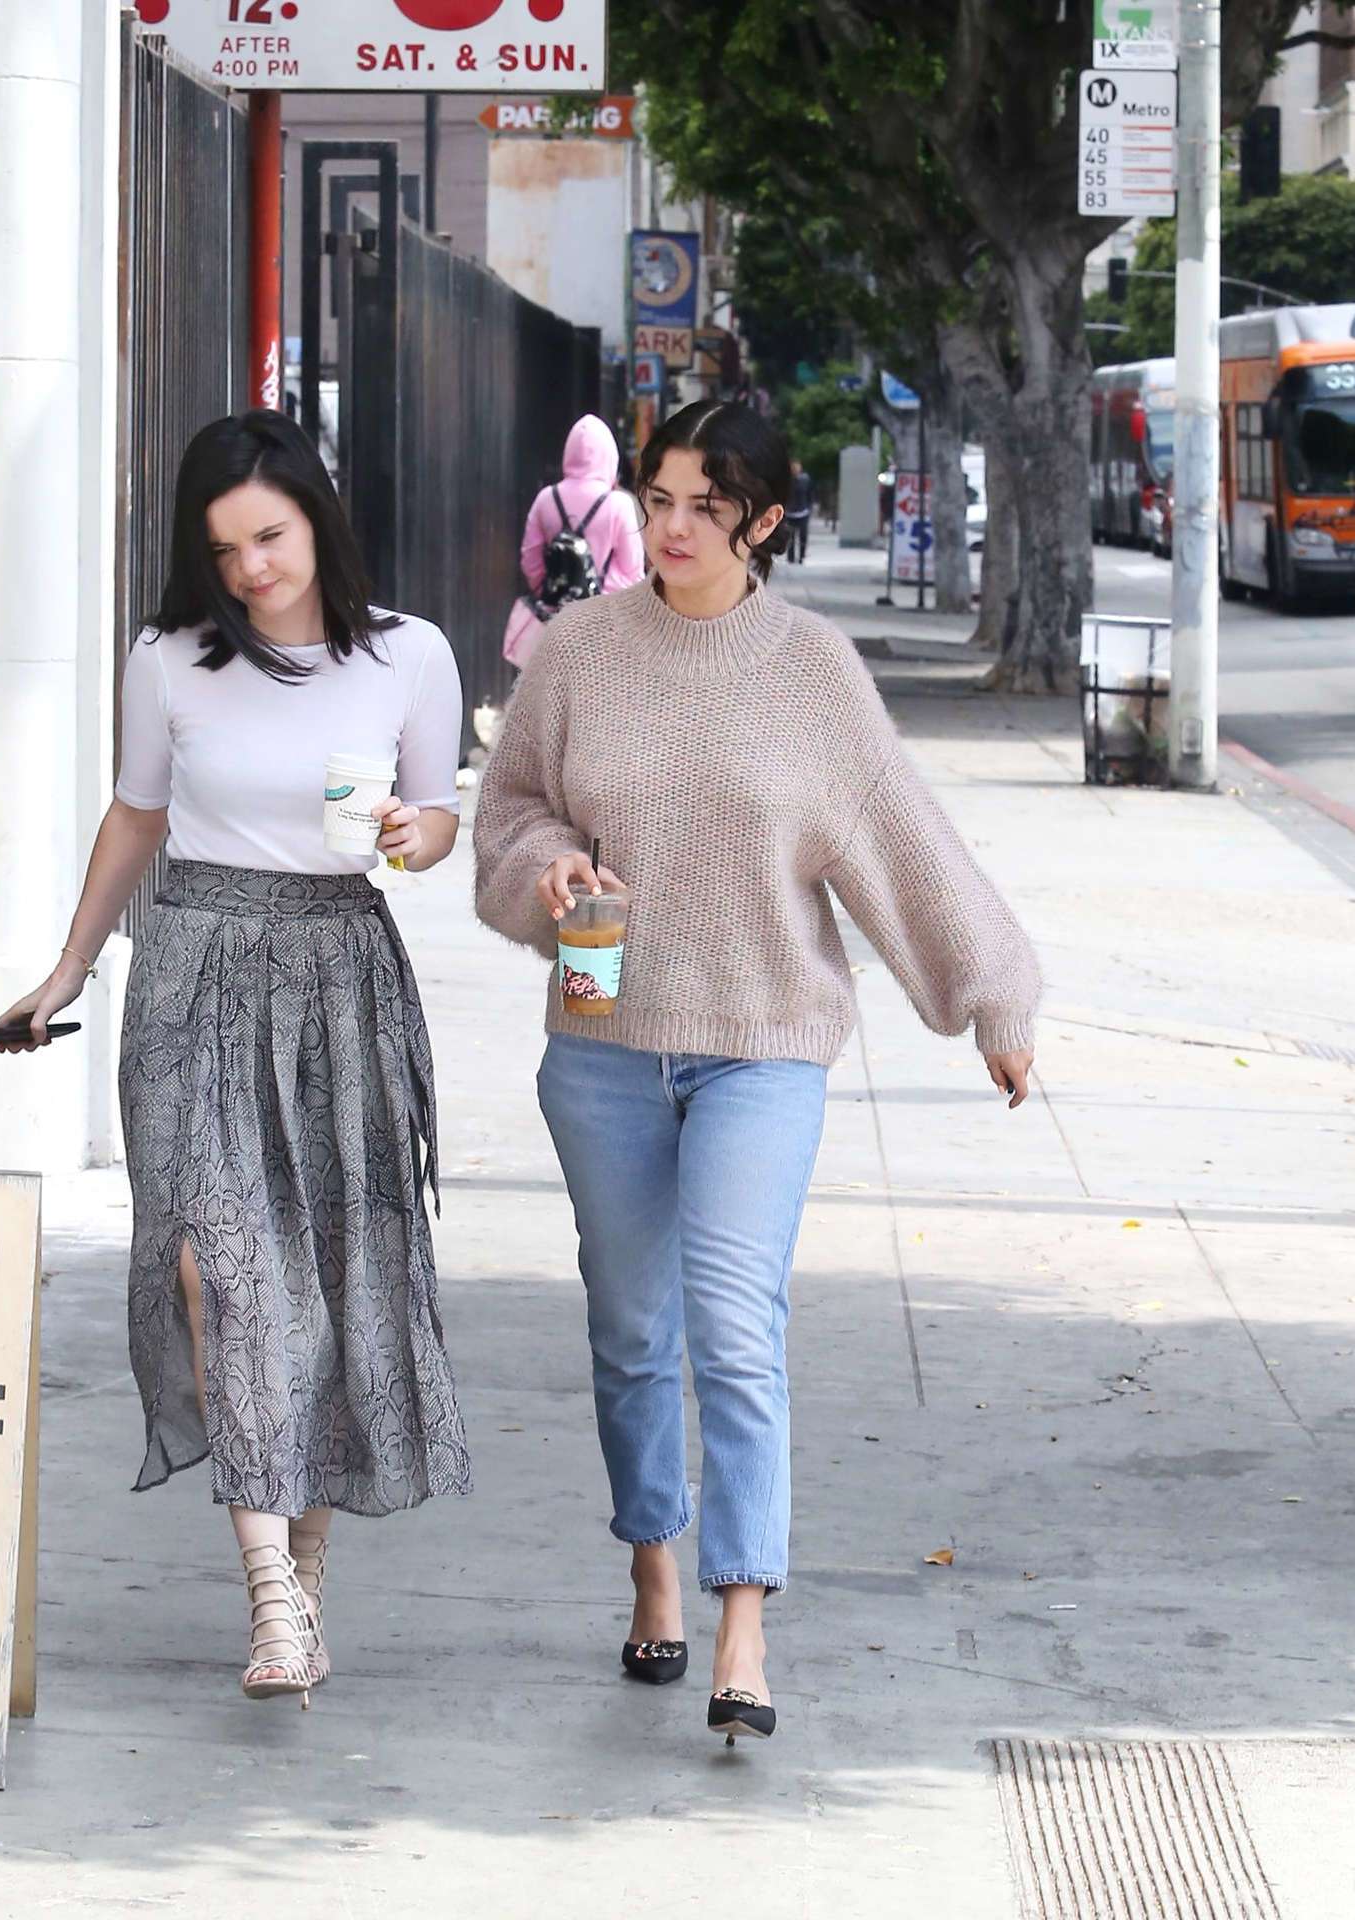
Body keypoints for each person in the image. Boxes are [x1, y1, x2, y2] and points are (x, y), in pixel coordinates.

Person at [473, 399, 1039, 1747]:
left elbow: (902, 839)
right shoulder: (578, 651)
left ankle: (742, 1620)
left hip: (763, 1046)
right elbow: (511, 809)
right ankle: (652, 1566)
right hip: (603, 1047)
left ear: (765, 522)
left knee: (734, 1328)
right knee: (631, 1333)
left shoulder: (809, 670)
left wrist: (991, 996)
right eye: (657, 500)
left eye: (703, 509)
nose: (669, 529)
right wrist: (549, 866)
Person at [0, 410, 472, 1708]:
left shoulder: (408, 656)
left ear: (316, 516)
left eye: (269, 535)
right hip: (193, 968)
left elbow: (436, 819)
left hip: (339, 972)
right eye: (224, 550)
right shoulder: (169, 660)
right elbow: (135, 814)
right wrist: (69, 968)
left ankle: (301, 1578)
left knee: (325, 1277)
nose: (252, 568)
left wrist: (409, 833)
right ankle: (269, 1591)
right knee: (218, 1270)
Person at [502, 413, 645, 671]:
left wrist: (554, 596)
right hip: (606, 630)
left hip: (553, 626)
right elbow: (632, 572)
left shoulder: (546, 499)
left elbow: (530, 561)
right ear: (610, 457)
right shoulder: (619, 505)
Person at [784, 457, 815, 563]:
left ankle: (802, 556)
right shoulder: (786, 480)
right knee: (790, 537)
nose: (795, 469)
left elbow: (810, 494)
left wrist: (809, 508)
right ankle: (790, 558)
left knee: (803, 536)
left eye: (797, 467)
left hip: (803, 512)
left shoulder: (806, 480)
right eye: (793, 467)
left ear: (800, 468)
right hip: (789, 513)